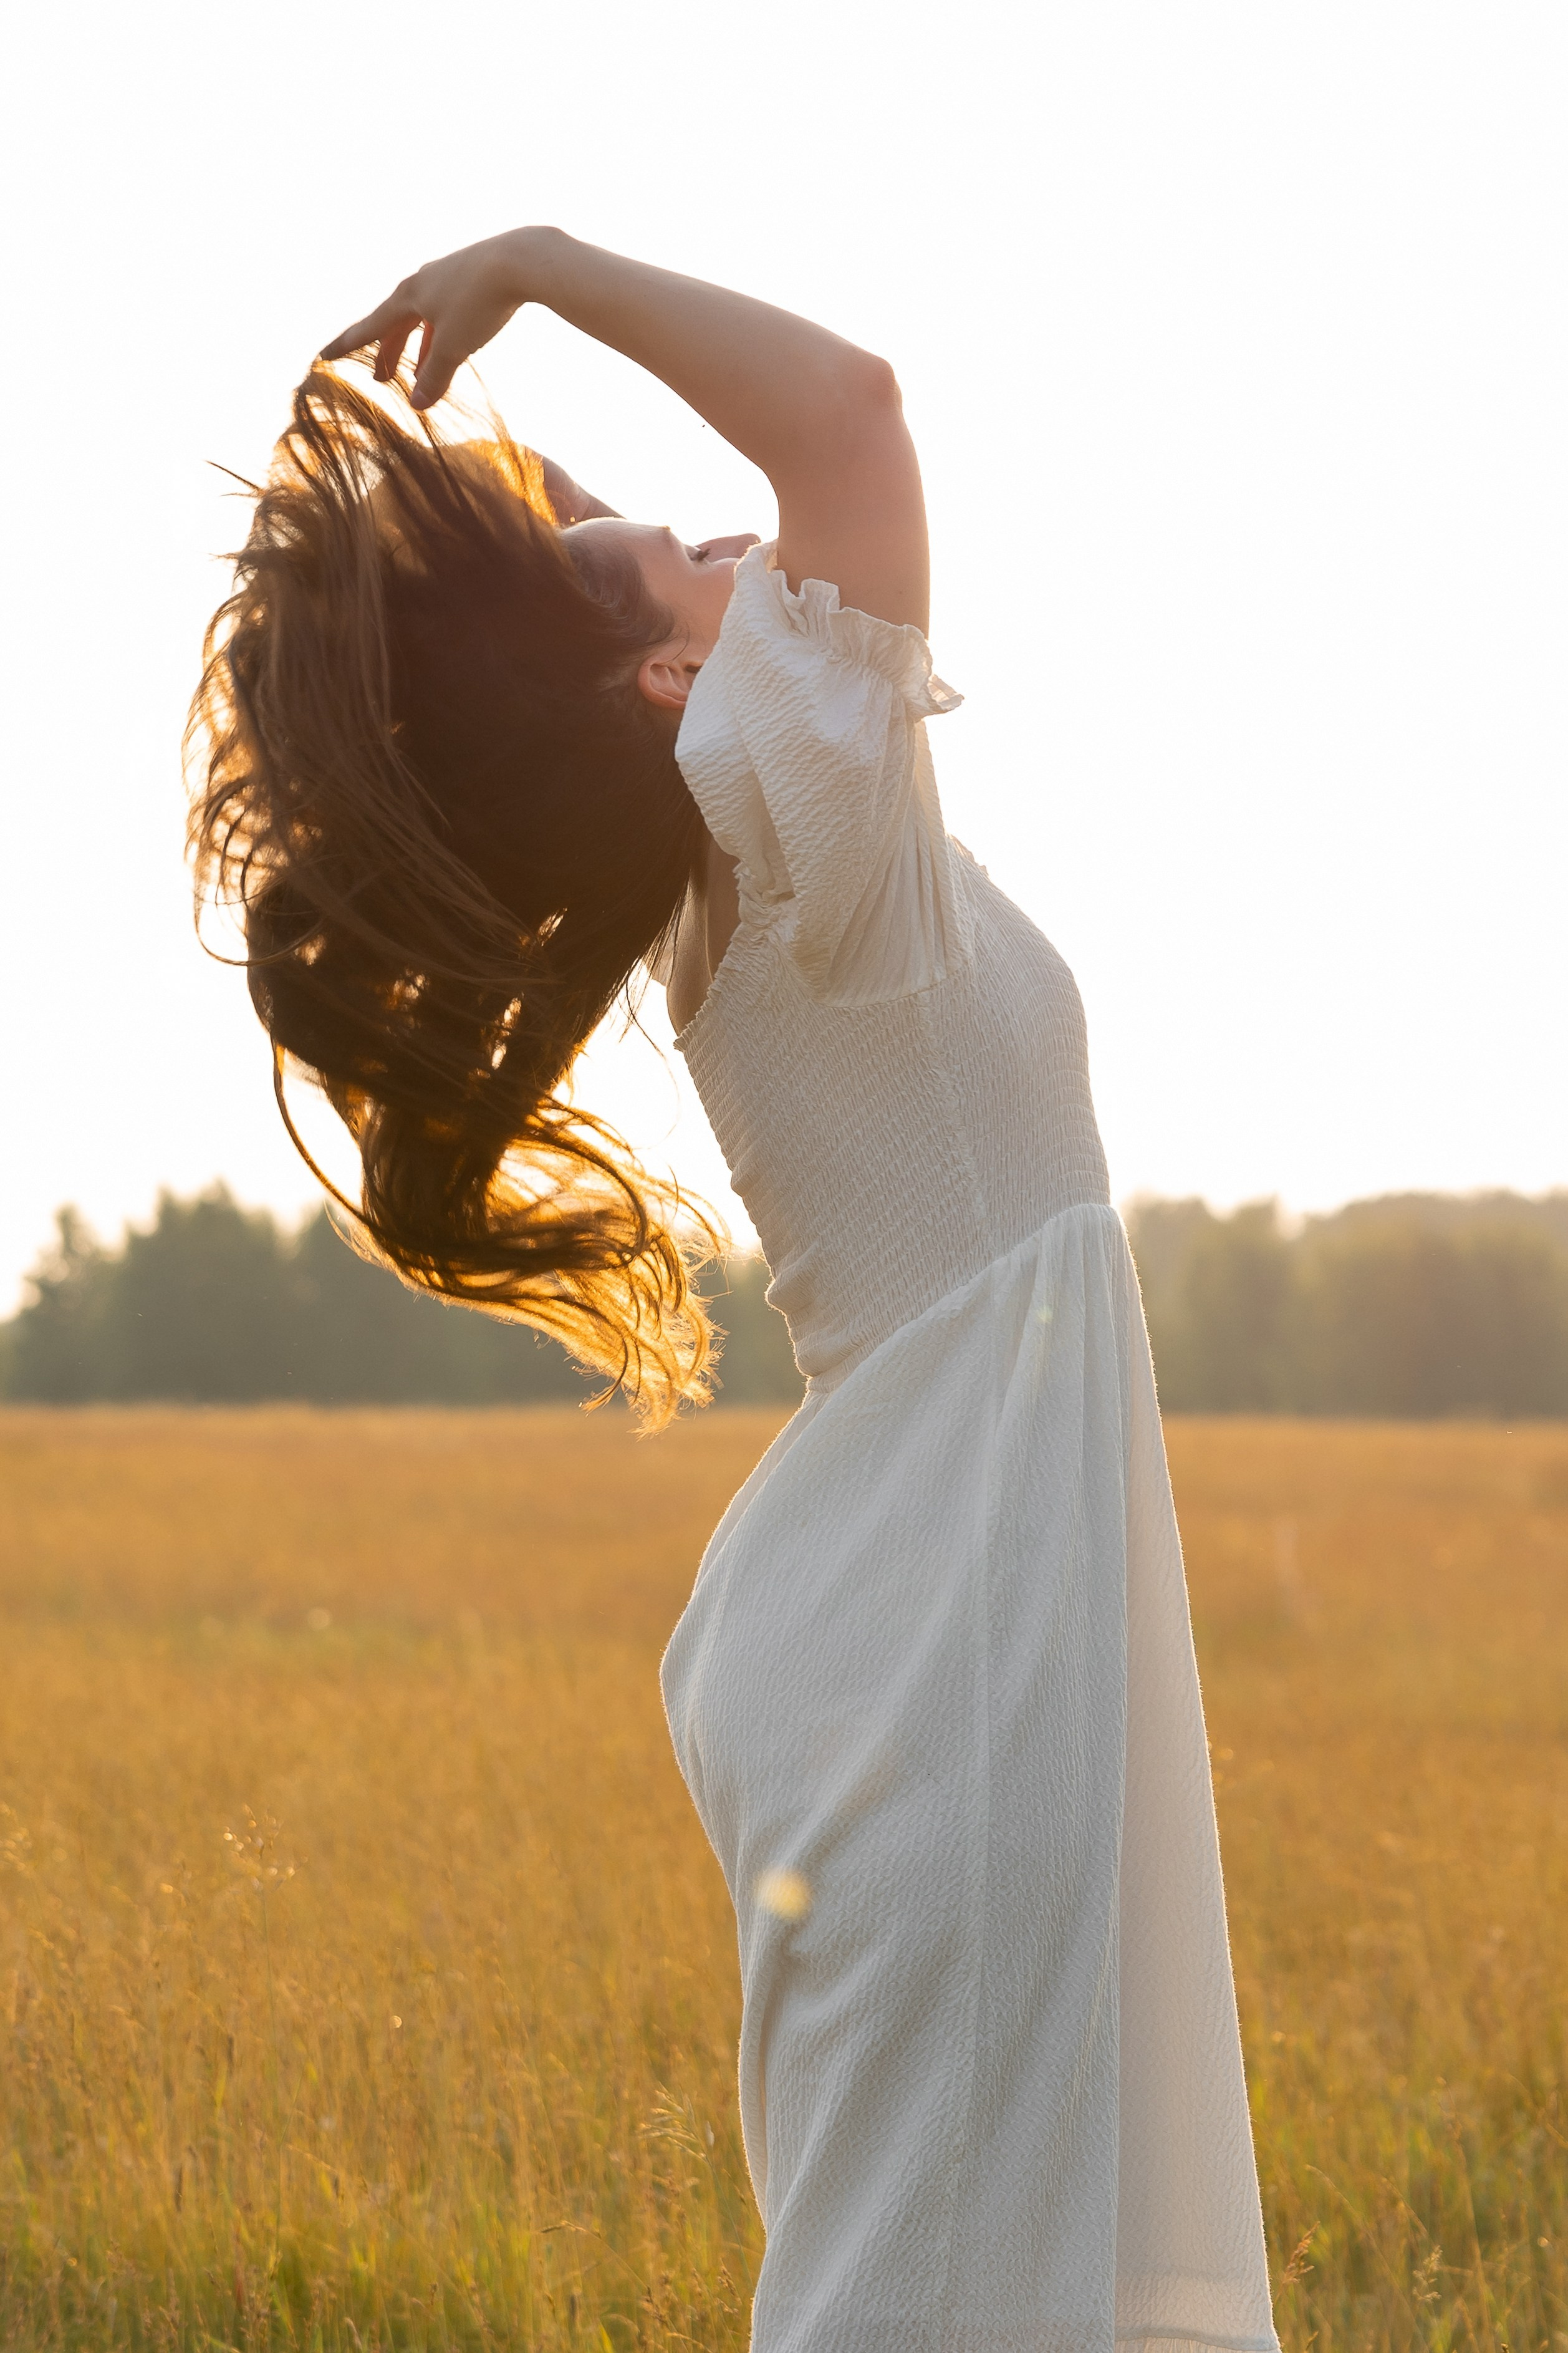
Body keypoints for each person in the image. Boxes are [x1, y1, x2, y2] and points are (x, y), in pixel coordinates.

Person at [190, 227, 1279, 2353]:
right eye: (670, 565)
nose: (719, 533)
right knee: (927, 2293)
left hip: (915, 1629)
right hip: (943, 1641)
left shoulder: (761, 845)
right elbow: (850, 414)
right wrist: (545, 263)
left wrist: (555, 506)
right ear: (684, 689)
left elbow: (739, 517)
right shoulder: (798, 816)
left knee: (936, 2276)